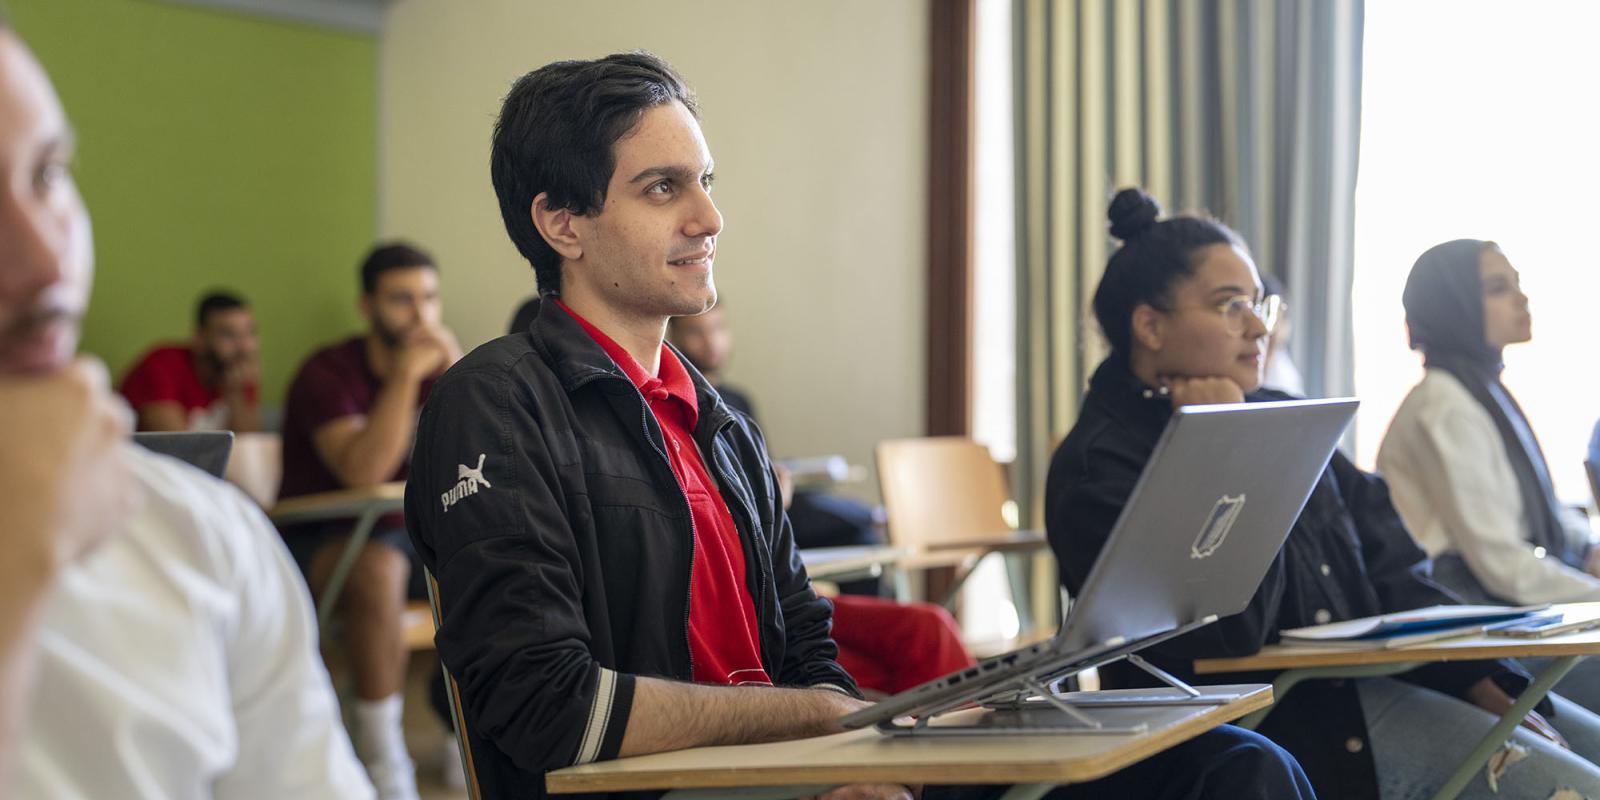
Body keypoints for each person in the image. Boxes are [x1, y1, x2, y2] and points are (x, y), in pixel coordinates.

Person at [406, 52, 1315, 800]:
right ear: (561, 222)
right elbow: (547, 707)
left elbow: (805, 643)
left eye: (706, 183)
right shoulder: (496, 401)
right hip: (685, 790)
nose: (710, 218)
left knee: (1234, 769)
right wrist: (815, 723)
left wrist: (848, 751)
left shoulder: (717, 421)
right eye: (661, 188)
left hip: (797, 776)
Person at [1046, 187, 1600, 799]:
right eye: (1229, 305)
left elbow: (1393, 568)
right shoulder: (1098, 464)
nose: (1258, 327)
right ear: (1149, 326)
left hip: (1370, 685)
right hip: (1275, 729)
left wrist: (1478, 675)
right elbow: (1227, 635)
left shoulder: (1283, 415)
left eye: (1258, 303)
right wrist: (1223, 451)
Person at [0, 15, 371, 798]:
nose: (46, 262)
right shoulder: (165, 367)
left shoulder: (198, 535)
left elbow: (235, 453)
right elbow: (175, 432)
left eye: (46, 174)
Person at [1377, 239, 1600, 714]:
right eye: (1499, 288)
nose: (1522, 299)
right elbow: (1500, 562)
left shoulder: (1481, 390)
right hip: (1471, 619)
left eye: (1517, 284)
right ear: (1453, 304)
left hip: (1500, 603)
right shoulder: (1445, 405)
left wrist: (1587, 549)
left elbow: (1534, 503)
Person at [278, 241, 462, 800]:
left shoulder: (441, 366)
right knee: (377, 565)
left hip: (410, 539)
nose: (421, 315)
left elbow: (486, 462)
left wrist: (459, 378)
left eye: (429, 298)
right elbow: (363, 472)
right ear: (367, 305)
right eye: (402, 299)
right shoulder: (326, 373)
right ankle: (384, 758)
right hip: (322, 544)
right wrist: (406, 378)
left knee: (494, 557)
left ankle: (468, 733)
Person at [119, 290, 261, 432]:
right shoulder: (163, 365)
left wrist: (237, 397)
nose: (244, 347)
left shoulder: (237, 376)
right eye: (228, 334)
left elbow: (249, 443)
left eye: (250, 333)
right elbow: (177, 444)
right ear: (200, 338)